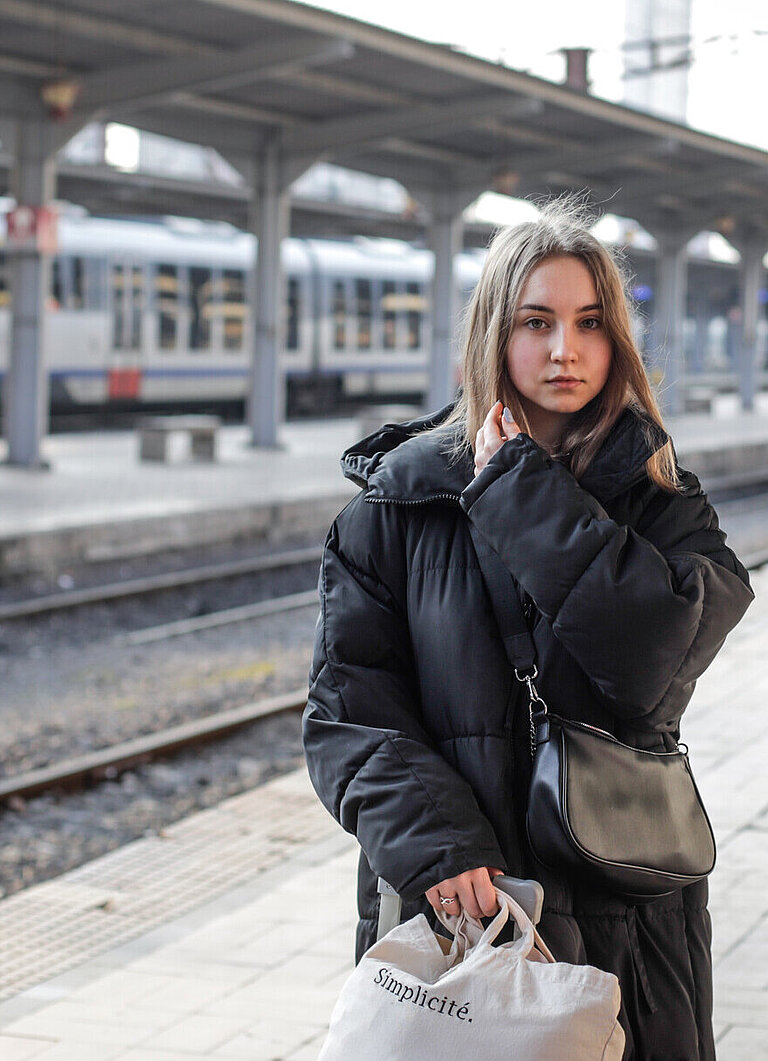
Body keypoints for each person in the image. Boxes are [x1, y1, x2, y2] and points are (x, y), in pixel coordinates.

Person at [303, 198, 753, 1060]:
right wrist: (438, 844)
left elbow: (646, 666)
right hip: (461, 910)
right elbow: (348, 711)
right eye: (535, 321)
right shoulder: (395, 508)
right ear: (492, 336)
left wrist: (520, 490)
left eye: (589, 322)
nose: (564, 349)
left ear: (616, 337)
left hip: (629, 922)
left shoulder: (666, 501)